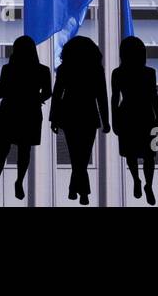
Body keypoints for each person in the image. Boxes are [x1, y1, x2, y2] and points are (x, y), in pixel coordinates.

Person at [0, 34, 51, 204]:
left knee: (0, 153)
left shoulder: (8, 69)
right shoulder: (42, 70)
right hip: (30, 114)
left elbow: (1, 92)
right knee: (24, 152)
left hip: (8, 112)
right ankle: (19, 182)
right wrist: (36, 99)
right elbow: (48, 92)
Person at [49, 35, 109, 205]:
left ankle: (76, 190)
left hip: (69, 115)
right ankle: (81, 192)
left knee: (76, 155)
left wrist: (53, 119)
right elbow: (102, 96)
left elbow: (57, 95)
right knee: (83, 156)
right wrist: (106, 121)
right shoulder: (97, 70)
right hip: (89, 115)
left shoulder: (64, 69)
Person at [111, 35, 158, 205]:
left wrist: (114, 119)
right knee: (150, 155)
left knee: (130, 153)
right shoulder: (149, 73)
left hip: (127, 115)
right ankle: (148, 185)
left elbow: (114, 98)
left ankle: (137, 180)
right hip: (147, 115)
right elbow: (154, 97)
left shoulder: (118, 73)